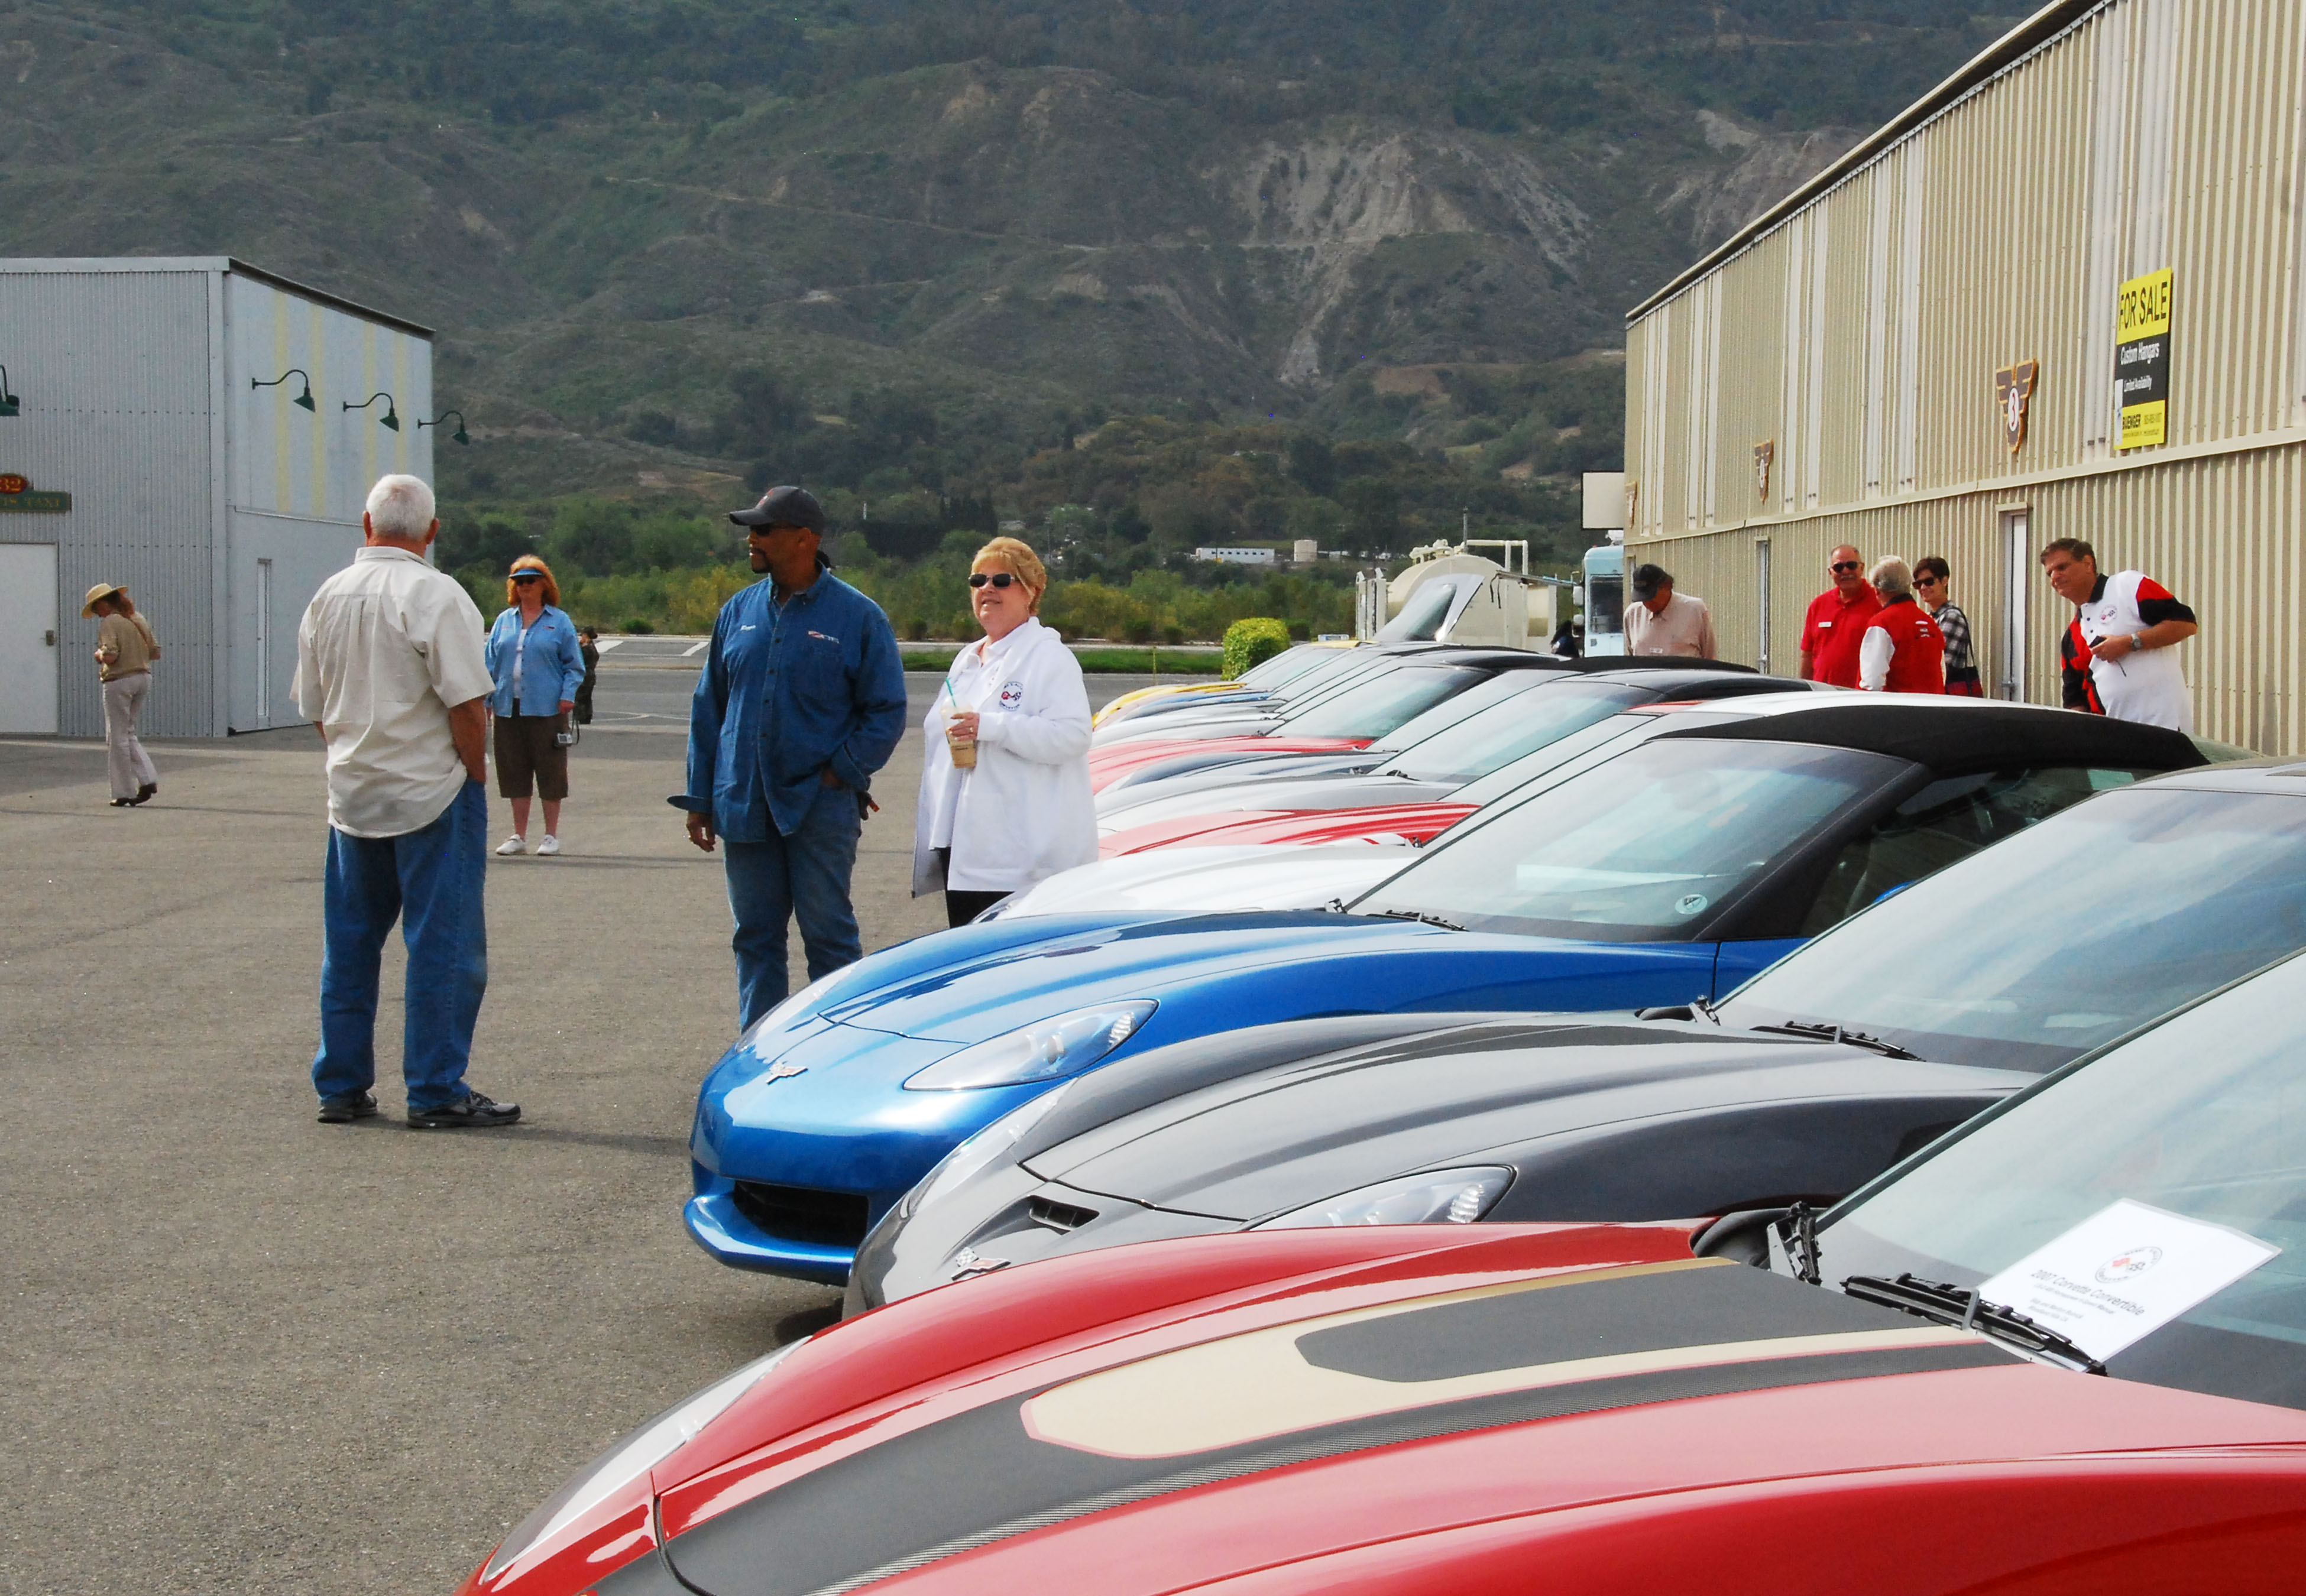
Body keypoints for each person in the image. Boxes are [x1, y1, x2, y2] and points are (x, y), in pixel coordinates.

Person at [292, 474, 517, 1128]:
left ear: (366, 525)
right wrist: (472, 775)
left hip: (352, 795)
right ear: (432, 531)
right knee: (442, 947)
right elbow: (468, 706)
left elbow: (315, 707)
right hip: (429, 793)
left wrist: (348, 757)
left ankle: (341, 1083)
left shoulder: (326, 597)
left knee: (352, 944)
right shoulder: (435, 594)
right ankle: (435, 1086)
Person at [674, 485, 908, 1029]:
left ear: (805, 540)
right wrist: (701, 798)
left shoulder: (858, 617)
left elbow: (887, 711)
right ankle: (761, 1052)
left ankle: (840, 1051)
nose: (751, 541)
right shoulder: (737, 612)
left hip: (819, 808)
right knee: (754, 938)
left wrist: (840, 772)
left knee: (828, 938)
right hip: (745, 805)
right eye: (751, 531)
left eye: (763, 531)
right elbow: (709, 707)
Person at [914, 537, 1097, 927]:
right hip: (962, 848)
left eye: (1002, 580)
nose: (987, 589)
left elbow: (1073, 735)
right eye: (978, 580)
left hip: (1019, 860)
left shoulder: (1049, 657)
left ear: (1032, 591)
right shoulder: (968, 659)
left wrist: (993, 727)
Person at [484, 556, 585, 858]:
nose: (524, 586)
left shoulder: (559, 621)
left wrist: (567, 695)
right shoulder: (504, 621)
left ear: (544, 584)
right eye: (519, 581)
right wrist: (487, 698)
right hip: (507, 707)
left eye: (530, 580)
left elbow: (574, 665)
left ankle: (551, 835)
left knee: (550, 770)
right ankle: (518, 834)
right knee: (513, 770)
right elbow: (489, 662)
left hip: (547, 708)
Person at [2041, 538, 2198, 731]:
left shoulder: (2126, 586)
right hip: (2113, 740)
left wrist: (2130, 643)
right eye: (2050, 573)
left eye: (2062, 567)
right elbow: (2074, 698)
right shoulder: (2071, 637)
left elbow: (2186, 624)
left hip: (2164, 727)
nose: (2055, 577)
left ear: (2088, 564)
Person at [83, 583, 158, 807]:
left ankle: (123, 791)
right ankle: (147, 778)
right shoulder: (137, 618)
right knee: (128, 732)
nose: (98, 615)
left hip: (119, 681)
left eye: (97, 610)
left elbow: (111, 656)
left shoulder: (111, 622)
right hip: (143, 677)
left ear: (104, 604)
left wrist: (99, 654)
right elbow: (155, 652)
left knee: (116, 737)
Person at [1857, 557, 1945, 693]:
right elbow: (1942, 673)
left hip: (1898, 711)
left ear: (1877, 590)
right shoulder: (1930, 623)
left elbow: (1871, 683)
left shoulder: (1882, 624)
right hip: (1934, 708)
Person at [1799, 543, 1881, 688]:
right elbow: (1807, 654)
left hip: (1862, 695)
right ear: (1830, 572)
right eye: (1838, 567)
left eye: (1851, 565)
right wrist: (1803, 690)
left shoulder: (1879, 601)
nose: (1845, 571)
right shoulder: (1819, 605)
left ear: (1862, 567)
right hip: (1822, 693)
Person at [1913, 556, 1980, 696]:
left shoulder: (1952, 617)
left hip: (1953, 699)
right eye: (1919, 584)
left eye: (1929, 582)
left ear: (1944, 581)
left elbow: (1943, 665)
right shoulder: (1929, 618)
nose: (1923, 588)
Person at [1622, 563, 1718, 658]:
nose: (1648, 603)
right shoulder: (1633, 614)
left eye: (1652, 597)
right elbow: (1631, 656)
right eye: (1643, 599)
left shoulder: (1695, 610)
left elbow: (1710, 655)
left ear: (1667, 586)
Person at [574, 625, 601, 726]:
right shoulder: (592, 648)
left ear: (586, 635)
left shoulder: (586, 649)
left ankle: (581, 717)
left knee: (580, 698)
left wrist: (579, 647)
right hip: (591, 675)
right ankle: (586, 717)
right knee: (587, 699)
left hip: (584, 676)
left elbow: (577, 660)